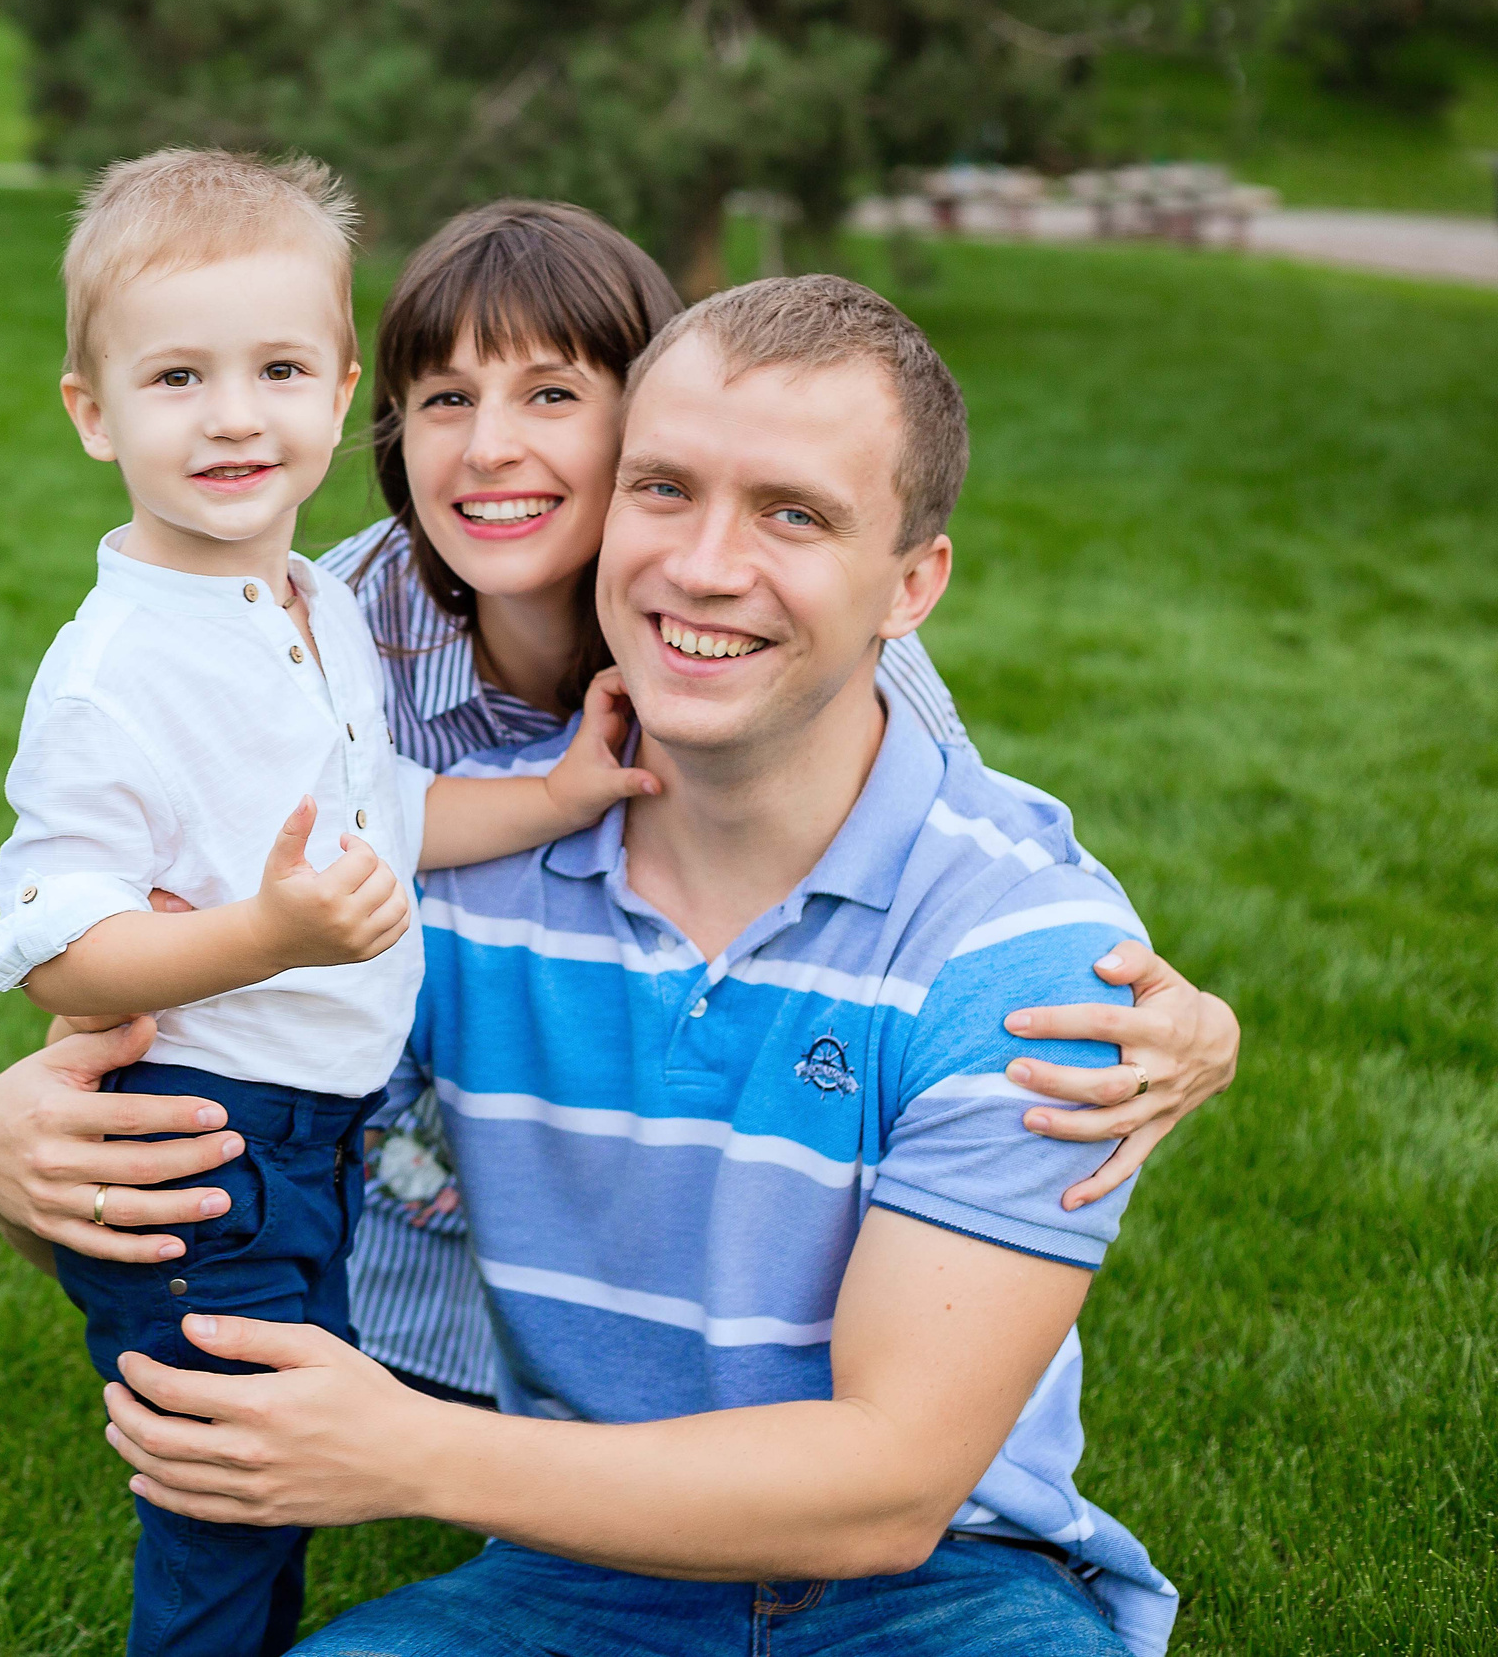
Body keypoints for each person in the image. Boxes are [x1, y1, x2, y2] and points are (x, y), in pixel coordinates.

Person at [0, 201, 1241, 1417]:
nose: (490, 446)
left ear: (649, 427)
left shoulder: (782, 640)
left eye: (554, 395)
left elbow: (934, 880)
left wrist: (1192, 1021)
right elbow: (138, 956)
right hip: (367, 1235)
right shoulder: (320, 631)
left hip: (646, 1262)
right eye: (445, 399)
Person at [94, 275, 1188, 1654]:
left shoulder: (1021, 954)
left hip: (947, 1593)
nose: (706, 563)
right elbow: (187, 1140)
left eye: (794, 512)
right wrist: (7, 1133)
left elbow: (893, 1486)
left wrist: (411, 1453)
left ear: (913, 582)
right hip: (570, 1570)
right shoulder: (463, 876)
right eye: (664, 489)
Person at [0, 151, 653, 1657]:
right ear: (92, 411)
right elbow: (63, 947)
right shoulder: (115, 670)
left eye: (276, 368)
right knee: (227, 1476)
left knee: (275, 1463)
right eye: (176, 376)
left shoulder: (319, 601)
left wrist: (557, 796)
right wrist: (268, 936)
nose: (231, 414)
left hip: (311, 1125)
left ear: (340, 395)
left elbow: (385, 820)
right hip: (212, 1121)